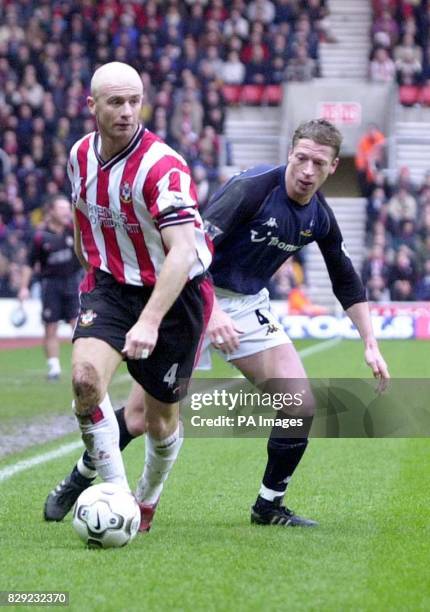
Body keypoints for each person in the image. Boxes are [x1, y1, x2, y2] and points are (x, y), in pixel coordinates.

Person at [45, 119, 389, 529]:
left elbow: (345, 277)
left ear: (333, 167)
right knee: (141, 418)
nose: (307, 170)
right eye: (301, 158)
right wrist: (212, 313)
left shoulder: (320, 216)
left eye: (318, 163)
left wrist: (369, 341)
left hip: (246, 306)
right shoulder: (253, 188)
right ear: (289, 154)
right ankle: (82, 475)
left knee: (298, 405)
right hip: (191, 295)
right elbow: (192, 250)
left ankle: (268, 505)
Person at [43, 61, 213, 532]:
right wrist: (91, 268)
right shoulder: (79, 154)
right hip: (112, 286)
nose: (126, 111)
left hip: (174, 299)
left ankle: (147, 497)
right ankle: (117, 499)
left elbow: (181, 253)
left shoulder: (163, 166)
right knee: (84, 382)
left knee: (157, 422)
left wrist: (151, 320)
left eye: (134, 100)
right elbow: (82, 215)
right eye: (116, 102)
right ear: (91, 105)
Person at [18, 195, 81, 380]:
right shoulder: (40, 237)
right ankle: (54, 369)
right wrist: (23, 287)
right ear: (51, 211)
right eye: (61, 208)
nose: (66, 212)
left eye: (66, 208)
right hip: (50, 285)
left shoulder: (73, 230)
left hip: (73, 283)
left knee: (77, 326)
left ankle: (81, 365)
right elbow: (29, 264)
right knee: (50, 327)